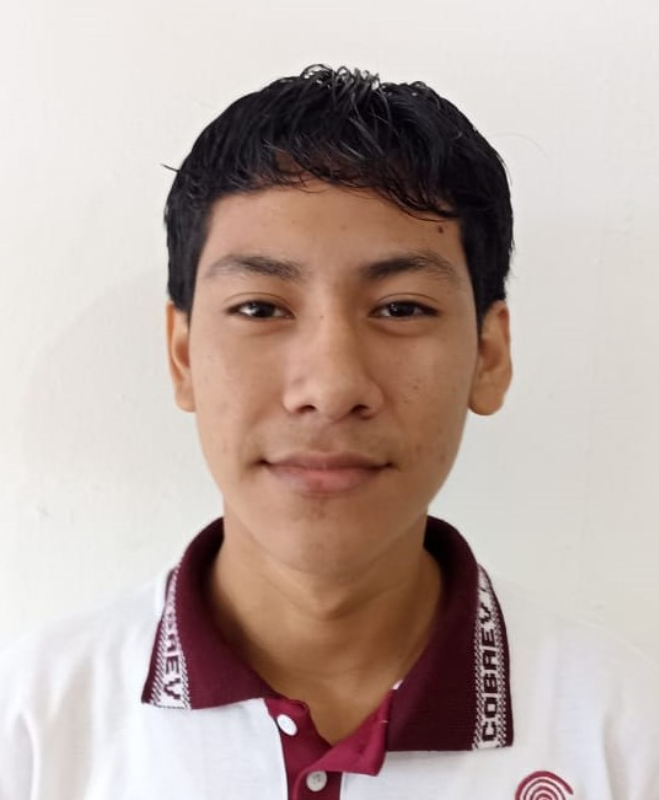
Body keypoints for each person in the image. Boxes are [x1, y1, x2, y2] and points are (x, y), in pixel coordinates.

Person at [1, 65, 658, 800]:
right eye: (260, 308)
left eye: (401, 308)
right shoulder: (33, 729)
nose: (330, 388)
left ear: (489, 355)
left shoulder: (625, 737)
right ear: (182, 355)